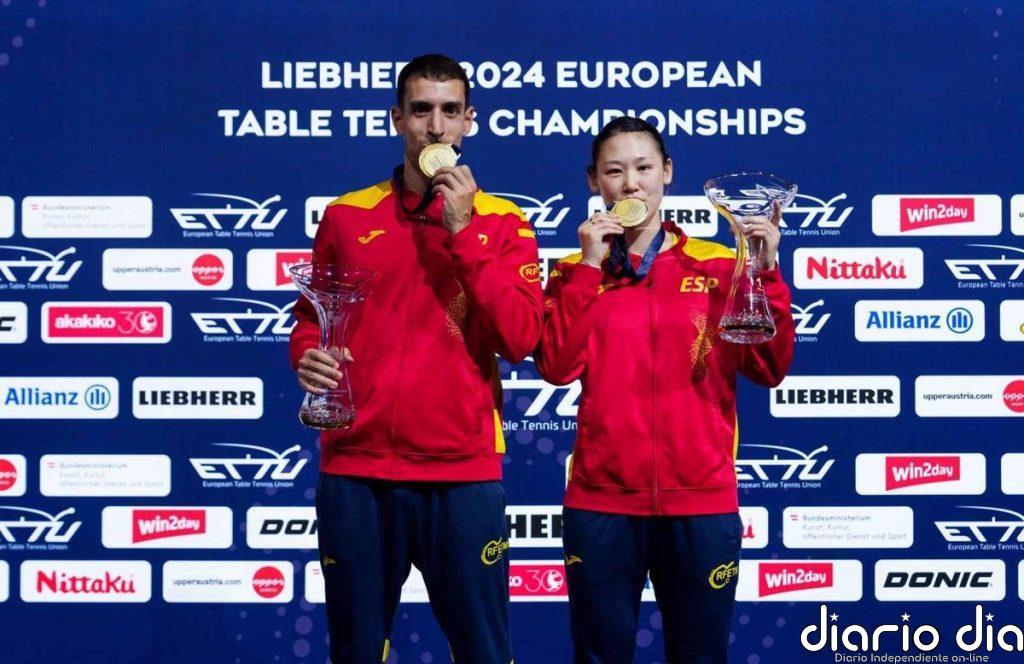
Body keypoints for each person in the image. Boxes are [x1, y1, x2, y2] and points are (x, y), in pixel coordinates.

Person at [289, 53, 543, 664]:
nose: (435, 127)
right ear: (397, 119)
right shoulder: (347, 215)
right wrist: (307, 357)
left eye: (450, 111)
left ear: (469, 122)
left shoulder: (504, 222)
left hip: (461, 473)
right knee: (355, 651)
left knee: (484, 651)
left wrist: (464, 233)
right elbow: (308, 321)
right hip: (357, 469)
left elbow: (521, 337)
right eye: (422, 111)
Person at [535, 116, 794, 663]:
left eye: (644, 168)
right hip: (603, 503)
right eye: (615, 171)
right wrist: (586, 267)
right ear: (593, 182)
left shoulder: (723, 266)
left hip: (700, 502)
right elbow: (556, 367)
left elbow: (769, 369)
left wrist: (765, 274)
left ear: (667, 173)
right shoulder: (571, 273)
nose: (631, 184)